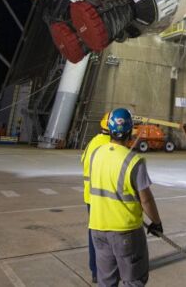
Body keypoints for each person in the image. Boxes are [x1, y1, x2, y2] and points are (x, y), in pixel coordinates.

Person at [89, 108, 162, 287]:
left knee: (106, 281)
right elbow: (146, 200)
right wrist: (156, 222)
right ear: (130, 131)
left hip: (97, 228)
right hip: (125, 231)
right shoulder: (134, 161)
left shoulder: (95, 154)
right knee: (134, 280)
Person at [81, 112, 112, 283]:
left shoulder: (93, 141)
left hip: (90, 196)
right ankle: (107, 270)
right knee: (110, 236)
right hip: (104, 198)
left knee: (95, 235)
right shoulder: (109, 146)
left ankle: (96, 271)